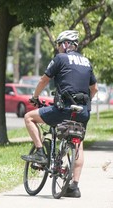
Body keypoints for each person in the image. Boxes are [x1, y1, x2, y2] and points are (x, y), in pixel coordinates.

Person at [21, 30, 98, 198]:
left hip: (63, 109)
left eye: (58, 45)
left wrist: (35, 97)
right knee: (78, 144)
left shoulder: (60, 58)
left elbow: (44, 80)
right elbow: (95, 89)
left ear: (65, 44)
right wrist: (85, 103)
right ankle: (74, 187)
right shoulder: (86, 61)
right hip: (83, 112)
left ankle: (40, 152)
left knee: (29, 117)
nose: (57, 48)